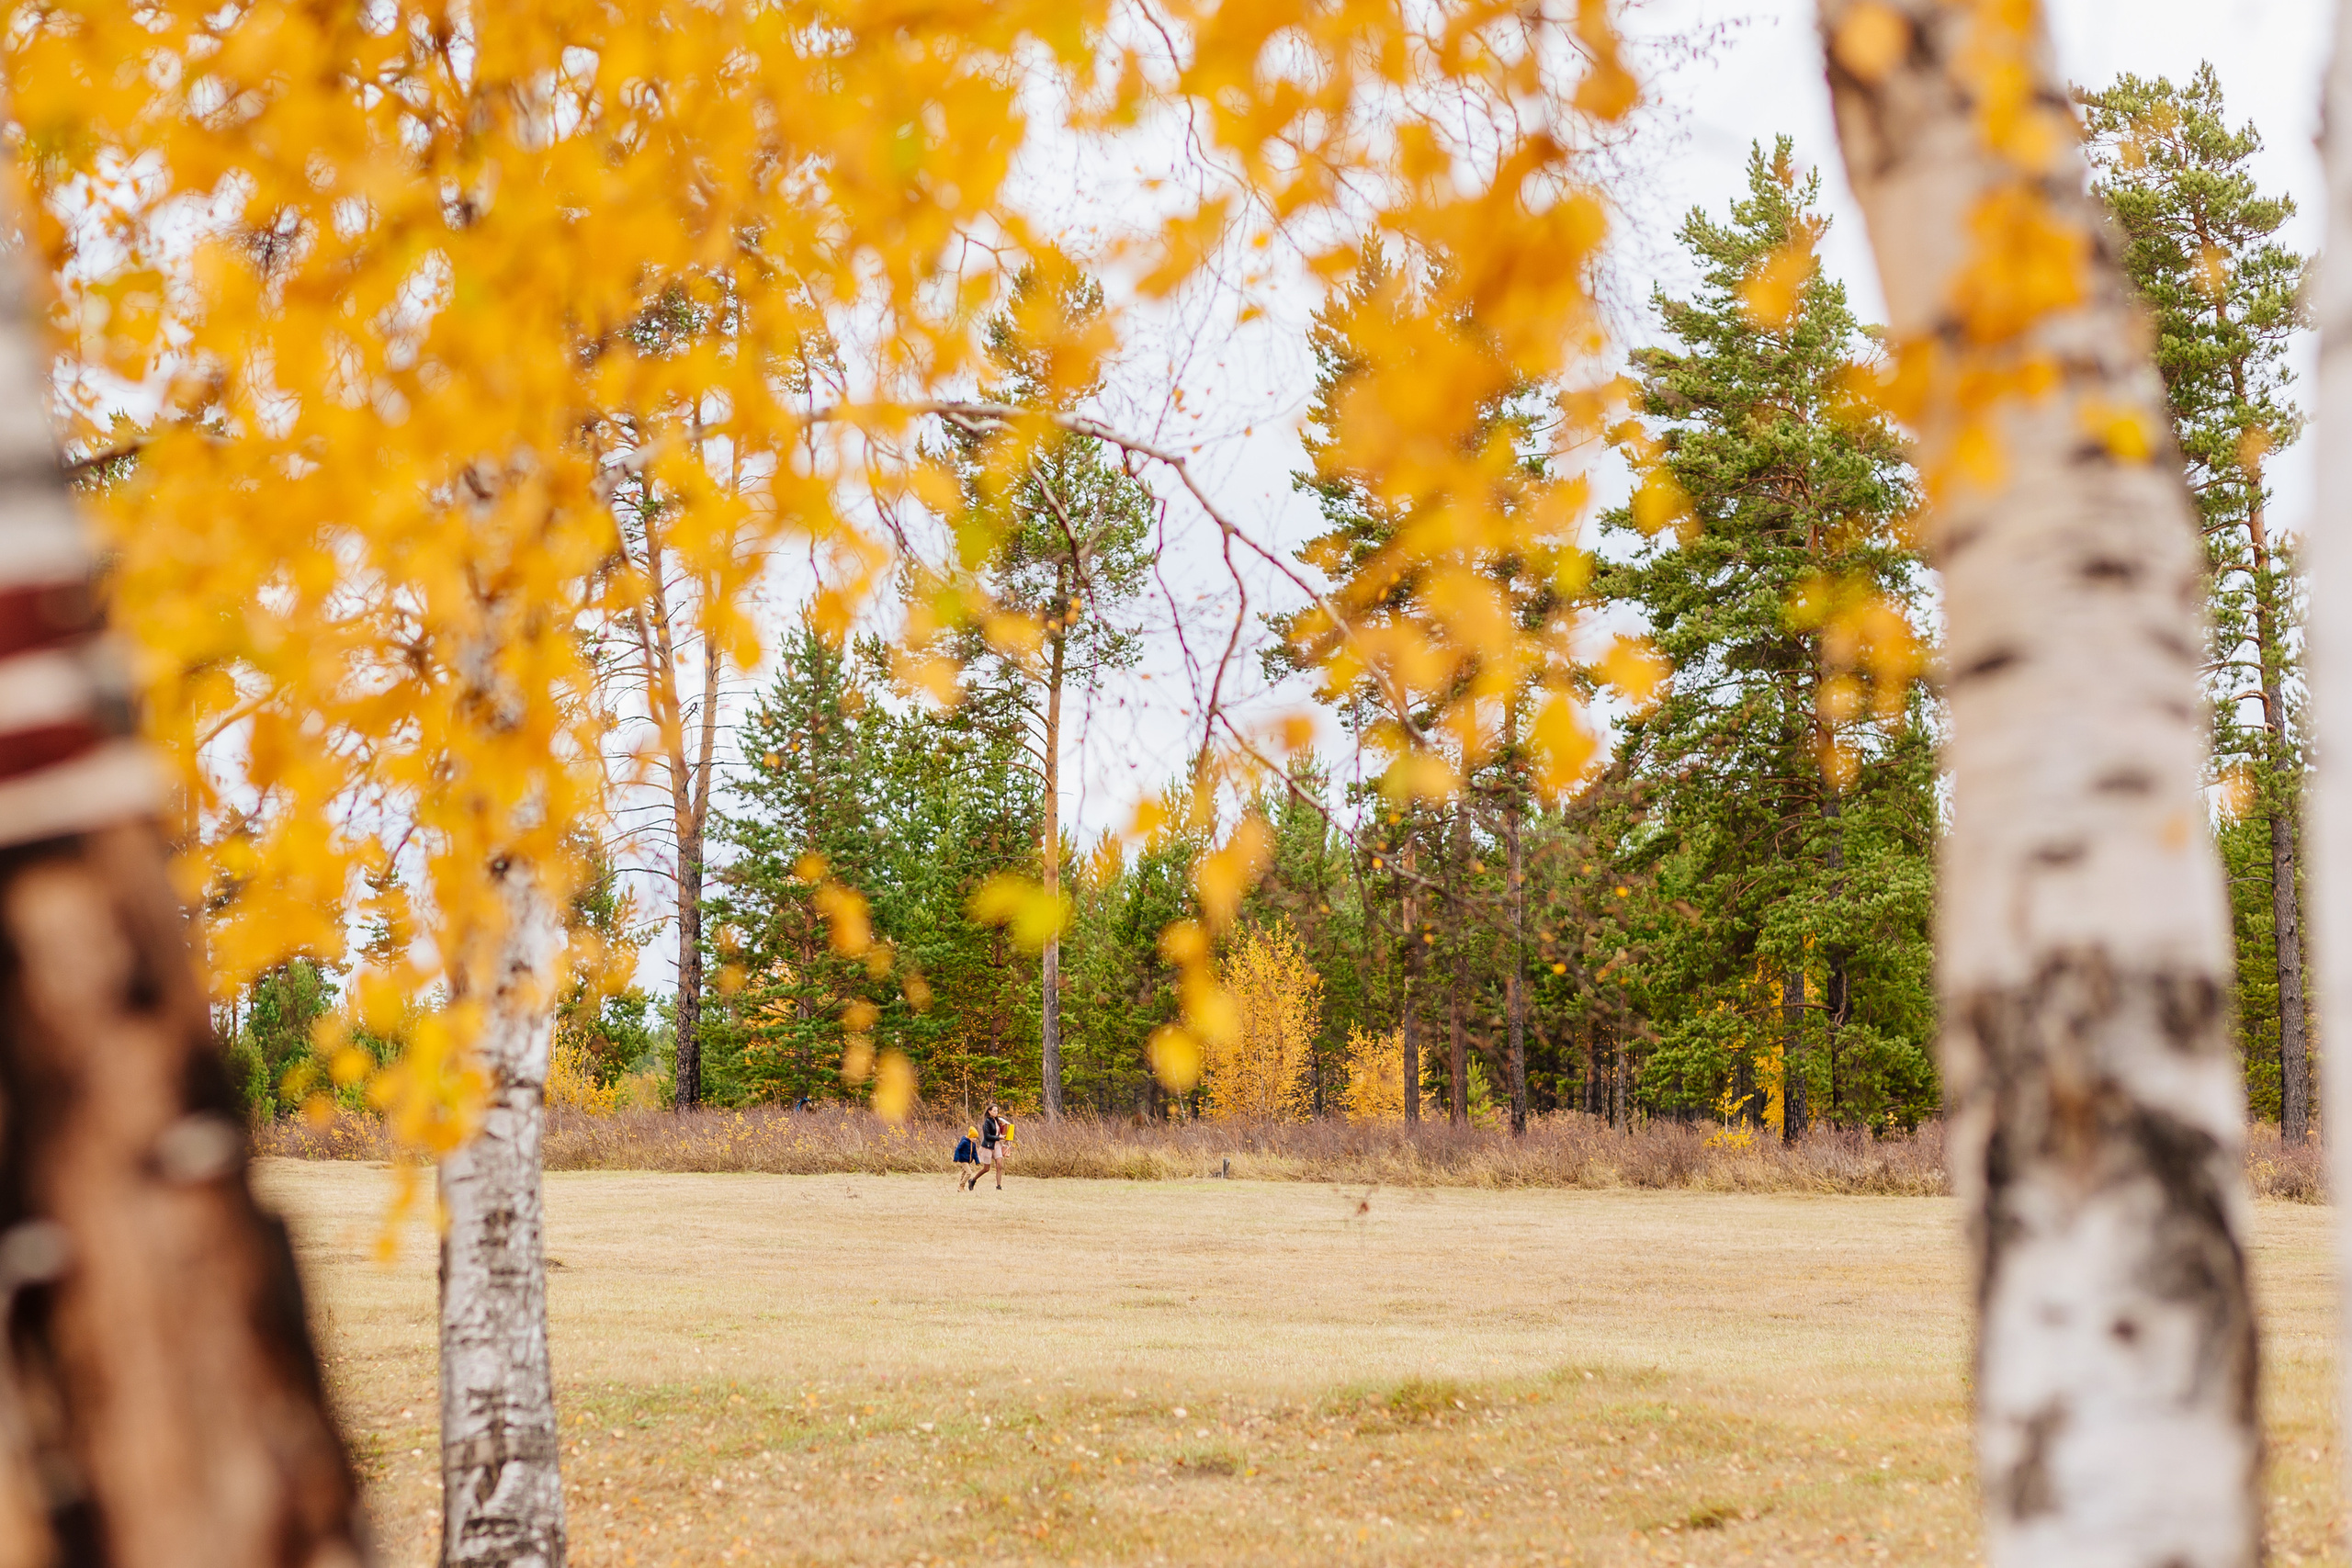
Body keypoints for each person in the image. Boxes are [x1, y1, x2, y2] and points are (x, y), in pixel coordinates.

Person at [965, 1103, 1009, 1191]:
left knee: (999, 1165)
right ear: (989, 1111)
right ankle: (973, 1180)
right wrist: (998, 1137)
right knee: (986, 1168)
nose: (996, 1112)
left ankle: (998, 1186)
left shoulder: (997, 1121)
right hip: (988, 1145)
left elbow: (998, 1132)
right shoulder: (987, 1122)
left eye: (997, 1111)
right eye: (994, 1111)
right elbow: (987, 1136)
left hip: (997, 1145)